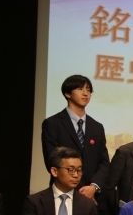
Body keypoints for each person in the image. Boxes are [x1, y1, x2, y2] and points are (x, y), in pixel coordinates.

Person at [41, 75, 110, 203]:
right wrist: (82, 191)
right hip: (64, 194)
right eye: (80, 89)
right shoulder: (53, 123)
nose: (85, 93)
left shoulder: (97, 127)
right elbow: (52, 160)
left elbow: (104, 162)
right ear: (67, 93)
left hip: (94, 197)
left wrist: (93, 187)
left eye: (88, 90)